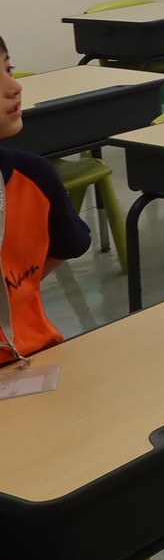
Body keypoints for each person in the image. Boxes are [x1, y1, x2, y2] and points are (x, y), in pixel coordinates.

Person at [1, 33, 93, 368]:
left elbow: (66, 245)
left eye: (8, 69)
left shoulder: (34, 175)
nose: (14, 87)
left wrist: (12, 289)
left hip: (33, 354)